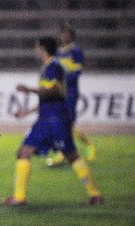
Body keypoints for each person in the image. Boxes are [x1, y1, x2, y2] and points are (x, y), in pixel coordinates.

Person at [2, 37, 103, 206]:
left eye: (36, 47)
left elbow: (54, 90)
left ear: (42, 49)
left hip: (54, 119)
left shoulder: (54, 67)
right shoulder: (48, 68)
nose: (35, 50)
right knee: (26, 152)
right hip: (49, 117)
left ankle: (95, 194)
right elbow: (47, 96)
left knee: (68, 155)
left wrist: (29, 90)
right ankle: (19, 197)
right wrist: (27, 112)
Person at [46, 23, 98, 167]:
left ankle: (85, 146)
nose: (64, 36)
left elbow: (77, 72)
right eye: (63, 33)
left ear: (71, 35)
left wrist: (62, 80)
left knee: (66, 123)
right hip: (59, 93)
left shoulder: (75, 51)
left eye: (67, 33)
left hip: (71, 92)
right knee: (60, 122)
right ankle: (63, 153)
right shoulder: (56, 52)